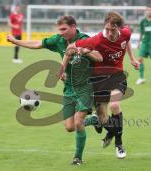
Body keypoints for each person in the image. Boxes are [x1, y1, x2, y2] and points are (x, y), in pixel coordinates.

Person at [7, 16, 102, 165]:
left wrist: (83, 50)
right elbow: (38, 43)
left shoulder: (85, 39)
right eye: (60, 30)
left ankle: (77, 158)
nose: (61, 32)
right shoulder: (58, 40)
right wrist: (16, 41)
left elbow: (99, 57)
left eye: (64, 29)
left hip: (85, 86)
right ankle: (95, 120)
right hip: (69, 88)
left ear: (73, 27)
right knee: (69, 127)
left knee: (78, 123)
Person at [57, 12, 140, 159]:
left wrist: (132, 59)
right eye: (106, 29)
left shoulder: (126, 32)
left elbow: (126, 41)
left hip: (116, 76)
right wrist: (62, 68)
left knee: (115, 105)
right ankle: (105, 128)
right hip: (99, 79)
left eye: (112, 30)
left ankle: (119, 145)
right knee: (103, 118)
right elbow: (70, 48)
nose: (109, 33)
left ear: (119, 28)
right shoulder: (97, 40)